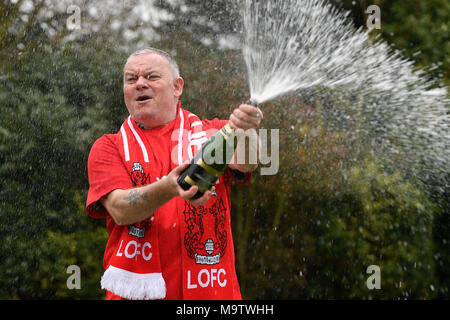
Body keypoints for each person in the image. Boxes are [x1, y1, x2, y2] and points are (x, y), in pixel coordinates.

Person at [85, 47, 263, 300]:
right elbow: (120, 209)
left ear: (177, 87)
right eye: (131, 79)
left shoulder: (212, 132)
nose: (140, 84)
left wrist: (247, 129)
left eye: (151, 76)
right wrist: (169, 187)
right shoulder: (108, 146)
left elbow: (248, 162)